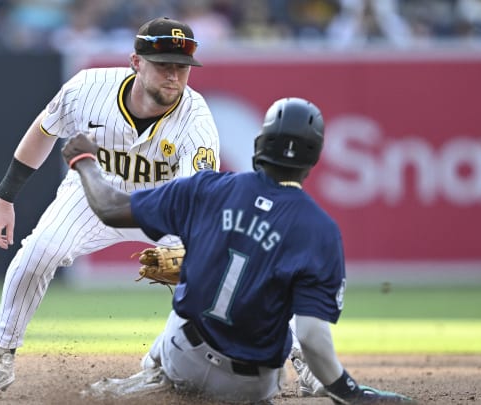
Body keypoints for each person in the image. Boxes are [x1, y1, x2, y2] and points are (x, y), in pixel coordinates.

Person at [61, 97, 416, 404]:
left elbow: (109, 208)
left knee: (189, 290)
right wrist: (346, 390)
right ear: (314, 158)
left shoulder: (209, 188)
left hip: (184, 354)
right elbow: (310, 334)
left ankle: (153, 379)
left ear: (260, 142)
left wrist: (85, 161)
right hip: (251, 385)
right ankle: (309, 379)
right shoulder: (320, 230)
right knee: (288, 296)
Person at [0, 16, 220, 400]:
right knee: (39, 251)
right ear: (136, 62)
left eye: (182, 67)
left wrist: (195, 253)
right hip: (92, 195)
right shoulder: (89, 88)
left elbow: (195, 198)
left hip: (164, 204)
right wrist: (4, 198)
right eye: (164, 64)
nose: (174, 76)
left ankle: (296, 359)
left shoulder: (196, 122)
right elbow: (43, 130)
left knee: (224, 266)